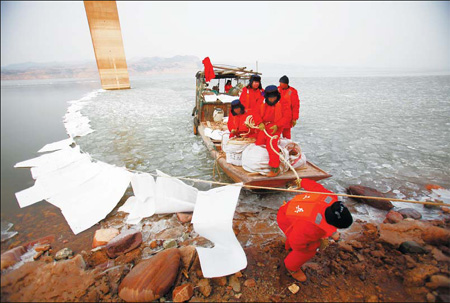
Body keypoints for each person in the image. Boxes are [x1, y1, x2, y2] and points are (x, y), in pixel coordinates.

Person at [277, 178, 353, 281]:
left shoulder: (330, 197)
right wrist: (317, 243)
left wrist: (301, 181)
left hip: (294, 210)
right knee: (307, 251)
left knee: (302, 237)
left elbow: (314, 186)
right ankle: (292, 267)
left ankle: (288, 247)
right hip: (285, 219)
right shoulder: (311, 228)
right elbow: (297, 242)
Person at [252, 85, 290, 177]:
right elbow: (255, 112)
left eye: (274, 97)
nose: (272, 99)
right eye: (270, 97)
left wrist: (277, 125)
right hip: (264, 126)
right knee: (259, 142)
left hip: (276, 127)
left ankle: (275, 168)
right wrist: (259, 122)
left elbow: (287, 116)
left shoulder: (283, 103)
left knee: (271, 144)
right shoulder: (261, 102)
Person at [278, 75, 300, 139]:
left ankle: (288, 146)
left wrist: (294, 118)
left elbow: (295, 106)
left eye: (281, 83)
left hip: (287, 117)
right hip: (278, 116)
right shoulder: (277, 89)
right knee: (276, 134)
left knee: (287, 135)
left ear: (286, 84)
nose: (280, 84)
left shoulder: (293, 92)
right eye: (280, 83)